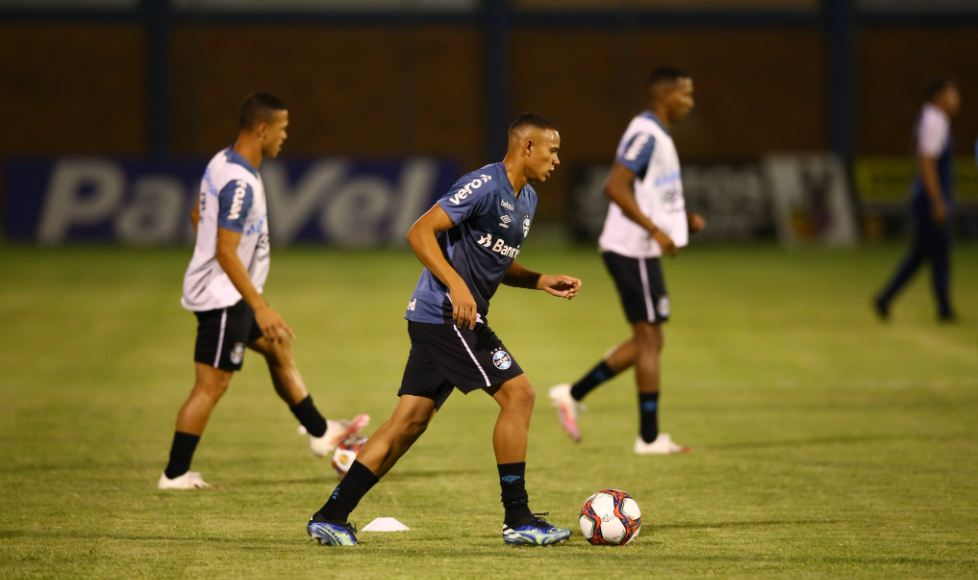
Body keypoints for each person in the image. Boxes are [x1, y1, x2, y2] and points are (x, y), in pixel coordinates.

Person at [305, 113, 582, 547]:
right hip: (447, 316)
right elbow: (420, 232)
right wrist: (456, 285)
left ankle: (331, 515)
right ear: (527, 147)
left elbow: (496, 260)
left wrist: (539, 279)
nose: (558, 160)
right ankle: (518, 518)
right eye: (553, 150)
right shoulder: (484, 185)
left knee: (408, 422)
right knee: (519, 394)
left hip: (448, 318)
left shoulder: (526, 199)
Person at [159, 92, 368, 490]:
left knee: (277, 346)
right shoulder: (239, 181)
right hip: (224, 298)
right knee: (212, 386)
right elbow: (224, 249)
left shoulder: (222, 162)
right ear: (262, 129)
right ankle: (175, 474)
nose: (285, 137)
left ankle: (321, 432)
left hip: (231, 290)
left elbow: (196, 215)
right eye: (282, 129)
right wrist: (258, 304)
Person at [548, 66, 704, 454]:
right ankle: (648, 438)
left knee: (650, 339)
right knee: (650, 340)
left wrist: (680, 221)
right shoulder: (646, 133)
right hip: (631, 247)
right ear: (662, 96)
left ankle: (573, 393)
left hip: (637, 246)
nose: (690, 101)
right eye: (684, 94)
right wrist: (654, 230)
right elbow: (614, 186)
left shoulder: (657, 135)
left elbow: (650, 193)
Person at [874, 77, 960, 322]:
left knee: (921, 254)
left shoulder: (932, 118)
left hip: (926, 196)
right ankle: (944, 309)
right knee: (940, 252)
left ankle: (885, 298)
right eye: (953, 94)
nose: (956, 99)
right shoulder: (935, 120)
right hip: (930, 198)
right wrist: (937, 201)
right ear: (939, 96)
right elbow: (927, 162)